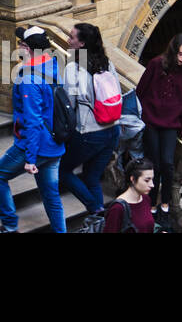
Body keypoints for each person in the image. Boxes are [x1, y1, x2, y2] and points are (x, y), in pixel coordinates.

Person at [0, 25, 67, 233]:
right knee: (51, 196)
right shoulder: (54, 65)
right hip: (55, 143)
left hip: (35, 146)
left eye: (20, 44)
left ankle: (10, 226)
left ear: (28, 49)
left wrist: (30, 159)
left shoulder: (29, 79)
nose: (18, 47)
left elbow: (33, 121)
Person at [136, 33, 182, 232]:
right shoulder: (156, 64)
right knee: (153, 163)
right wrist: (143, 115)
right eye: (180, 54)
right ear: (174, 50)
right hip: (151, 122)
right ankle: (152, 205)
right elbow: (141, 90)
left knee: (168, 164)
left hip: (171, 125)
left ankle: (164, 205)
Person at [60, 23, 121, 219]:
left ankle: (95, 208)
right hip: (113, 130)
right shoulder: (107, 64)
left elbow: (69, 104)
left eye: (72, 37)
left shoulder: (73, 68)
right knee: (92, 176)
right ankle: (101, 221)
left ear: (82, 43)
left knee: (63, 171)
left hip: (89, 132)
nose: (68, 40)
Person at [105, 158, 157, 233]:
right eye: (147, 180)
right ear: (132, 179)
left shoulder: (146, 198)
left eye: (152, 180)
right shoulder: (117, 208)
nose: (152, 185)